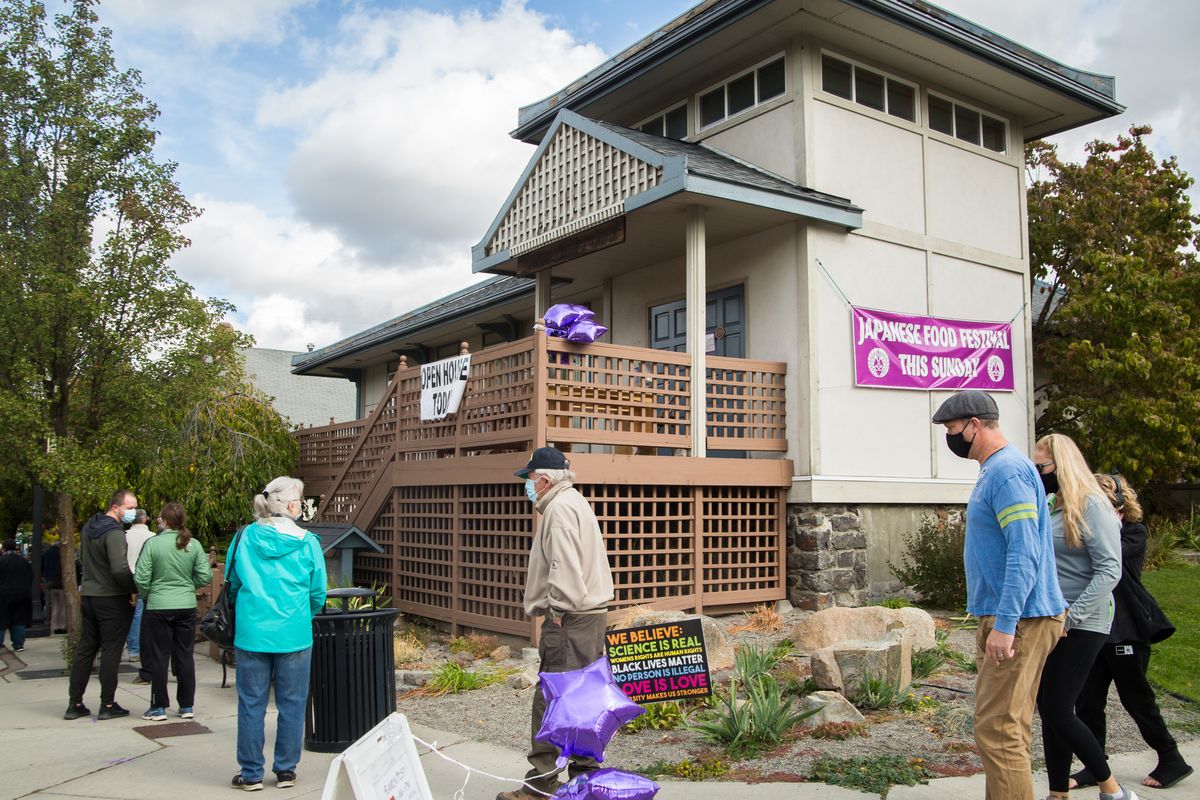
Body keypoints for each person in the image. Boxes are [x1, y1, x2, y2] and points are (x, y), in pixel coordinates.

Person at [931, 391, 1066, 800]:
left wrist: (1005, 625)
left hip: (1019, 620)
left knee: (998, 730)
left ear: (974, 425)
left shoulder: (1007, 473)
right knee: (1007, 728)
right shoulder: (998, 470)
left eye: (952, 430)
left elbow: (1024, 551)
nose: (950, 438)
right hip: (1012, 616)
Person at [497, 447, 615, 800]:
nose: (528, 486)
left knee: (549, 698)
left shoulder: (559, 510)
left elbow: (562, 567)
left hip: (570, 619)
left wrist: (558, 612)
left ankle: (541, 785)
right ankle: (584, 776)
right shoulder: (575, 502)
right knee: (582, 699)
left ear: (545, 480)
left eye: (530, 479)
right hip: (590, 616)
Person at [1072, 474, 1192, 791]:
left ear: (1119, 504)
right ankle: (1094, 766)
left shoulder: (1133, 533)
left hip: (1126, 630)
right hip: (1094, 628)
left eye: (1096, 501)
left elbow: (1102, 560)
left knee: (1137, 700)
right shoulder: (1089, 531)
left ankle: (1171, 758)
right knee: (1088, 701)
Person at [1033, 433, 1133, 800]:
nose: (1039, 472)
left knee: (1059, 709)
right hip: (1053, 622)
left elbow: (1110, 571)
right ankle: (1058, 793)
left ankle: (1113, 789)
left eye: (1042, 466)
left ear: (1062, 464)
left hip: (1083, 622)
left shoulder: (1093, 505)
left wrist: (1069, 619)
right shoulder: (1054, 504)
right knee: (1051, 708)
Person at [229, 476, 326, 791]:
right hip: (294, 633)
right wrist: (301, 616)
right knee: (293, 703)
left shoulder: (244, 537)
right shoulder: (308, 542)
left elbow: (232, 584)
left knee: (251, 703)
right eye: (300, 498)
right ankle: (285, 769)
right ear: (291, 504)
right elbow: (317, 593)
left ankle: (251, 773)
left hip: (253, 631)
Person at [134, 502, 212, 722]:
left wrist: (150, 593)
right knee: (184, 655)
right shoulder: (193, 545)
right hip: (185, 604)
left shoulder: (153, 544)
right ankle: (186, 705)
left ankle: (159, 706)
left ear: (165, 521)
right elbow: (205, 576)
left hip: (158, 605)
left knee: (159, 656)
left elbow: (141, 577)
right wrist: (189, 586)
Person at [65, 489, 139, 721]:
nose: (133, 512)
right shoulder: (114, 532)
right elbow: (119, 568)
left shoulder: (89, 529)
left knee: (86, 648)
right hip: (111, 597)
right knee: (111, 649)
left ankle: (74, 702)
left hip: (89, 595)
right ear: (115, 507)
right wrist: (132, 588)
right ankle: (107, 703)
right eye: (129, 508)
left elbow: (81, 559)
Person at [124, 509, 155, 665]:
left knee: (126, 615)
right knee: (140, 615)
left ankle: (130, 646)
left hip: (125, 577)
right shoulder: (153, 537)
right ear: (145, 519)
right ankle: (135, 649)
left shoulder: (125, 536)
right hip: (144, 578)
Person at [0, 538, 34, 652]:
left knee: (1, 619)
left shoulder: (2, 561)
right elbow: (31, 576)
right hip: (22, 594)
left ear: (3, 548)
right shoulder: (23, 561)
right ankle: (19, 644)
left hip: (3, 594)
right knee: (19, 619)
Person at [41, 542, 66, 633]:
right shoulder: (61, 554)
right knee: (62, 606)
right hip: (59, 582)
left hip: (48, 580)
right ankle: (62, 626)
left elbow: (41, 566)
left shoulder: (46, 553)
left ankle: (49, 622)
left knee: (49, 603)